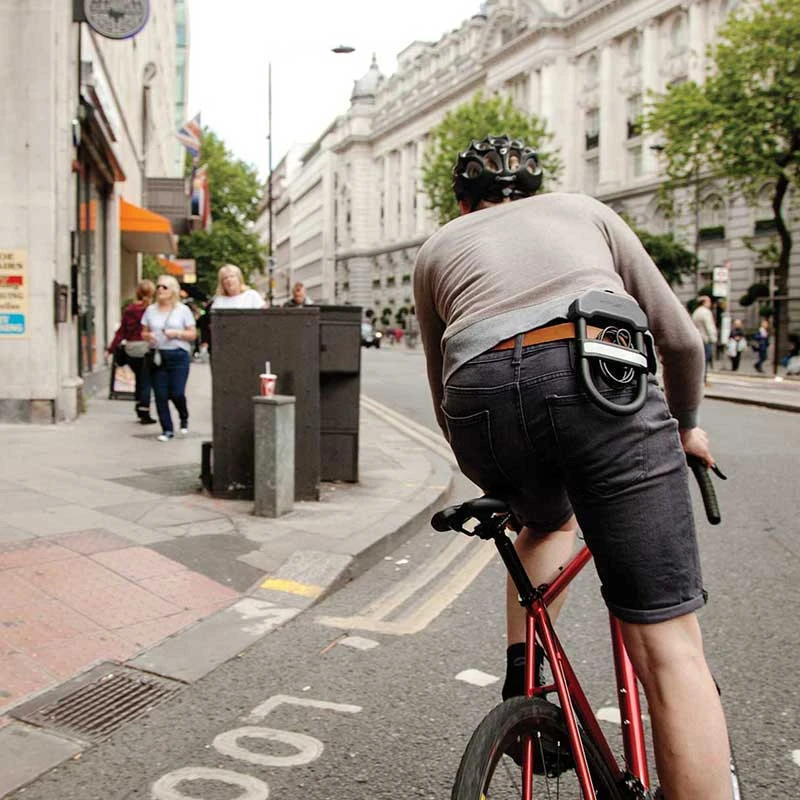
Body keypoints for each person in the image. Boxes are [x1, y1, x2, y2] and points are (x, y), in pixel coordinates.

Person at [413, 135, 731, 800]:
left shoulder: (439, 247)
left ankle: (525, 672)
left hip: (482, 403)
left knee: (544, 523)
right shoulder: (584, 210)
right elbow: (679, 340)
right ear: (537, 188)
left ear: (462, 202)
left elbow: (442, 388)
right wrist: (687, 425)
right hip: (597, 373)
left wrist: (495, 475)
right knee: (670, 647)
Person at [141, 275, 197, 442]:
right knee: (160, 395)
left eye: (164, 287)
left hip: (178, 355)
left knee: (177, 393)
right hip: (158, 355)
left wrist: (177, 333)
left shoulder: (182, 310)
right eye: (158, 287)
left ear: (173, 290)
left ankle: (183, 415)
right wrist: (148, 336)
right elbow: (143, 332)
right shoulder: (150, 310)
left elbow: (193, 334)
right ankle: (167, 430)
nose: (160, 290)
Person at [105, 279, 156, 424]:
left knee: (139, 379)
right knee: (146, 380)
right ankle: (144, 410)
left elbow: (121, 332)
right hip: (146, 347)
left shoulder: (129, 310)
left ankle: (139, 405)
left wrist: (111, 349)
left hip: (131, 348)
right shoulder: (151, 310)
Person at [691, 295, 717, 383]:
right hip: (705, 339)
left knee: (699, 361)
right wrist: (713, 338)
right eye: (709, 301)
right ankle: (703, 379)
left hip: (697, 339)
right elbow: (709, 326)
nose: (710, 303)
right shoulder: (706, 312)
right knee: (705, 360)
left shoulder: (696, 312)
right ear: (704, 302)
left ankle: (697, 379)